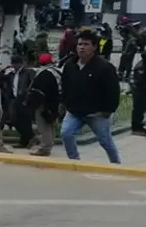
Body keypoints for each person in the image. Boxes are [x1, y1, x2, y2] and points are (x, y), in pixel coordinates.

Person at [59, 29, 121, 164]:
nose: (82, 47)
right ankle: (74, 161)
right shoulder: (70, 65)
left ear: (94, 47)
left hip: (96, 113)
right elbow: (65, 86)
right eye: (79, 44)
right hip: (74, 111)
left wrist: (108, 110)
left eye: (86, 44)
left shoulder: (105, 67)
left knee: (105, 141)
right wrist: (64, 103)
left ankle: (116, 164)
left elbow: (113, 91)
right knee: (66, 133)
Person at [25, 52, 63, 156]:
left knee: (43, 126)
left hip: (44, 105)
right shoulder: (57, 72)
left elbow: (38, 92)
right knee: (50, 126)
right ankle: (49, 144)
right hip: (56, 103)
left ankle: (45, 148)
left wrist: (32, 104)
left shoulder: (43, 74)